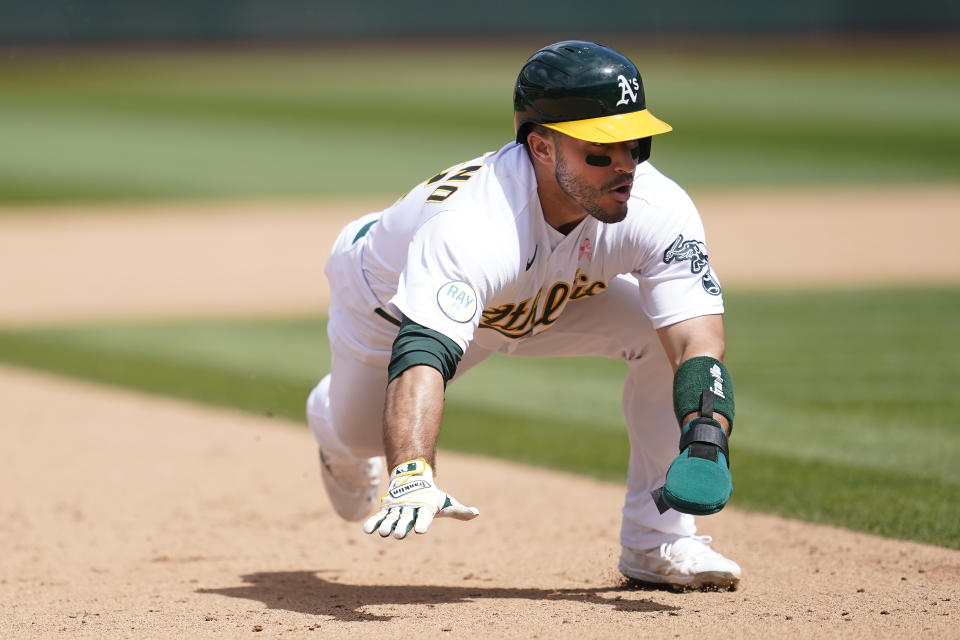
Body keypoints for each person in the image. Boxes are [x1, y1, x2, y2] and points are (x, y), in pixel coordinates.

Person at [306, 40, 741, 589]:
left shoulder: (657, 208)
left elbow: (697, 339)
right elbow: (423, 353)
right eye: (600, 151)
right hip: (387, 307)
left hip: (541, 299)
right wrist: (412, 471)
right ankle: (328, 416)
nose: (625, 165)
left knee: (658, 337)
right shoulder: (476, 225)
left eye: (636, 144)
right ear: (541, 147)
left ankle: (658, 543)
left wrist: (706, 437)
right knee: (363, 436)